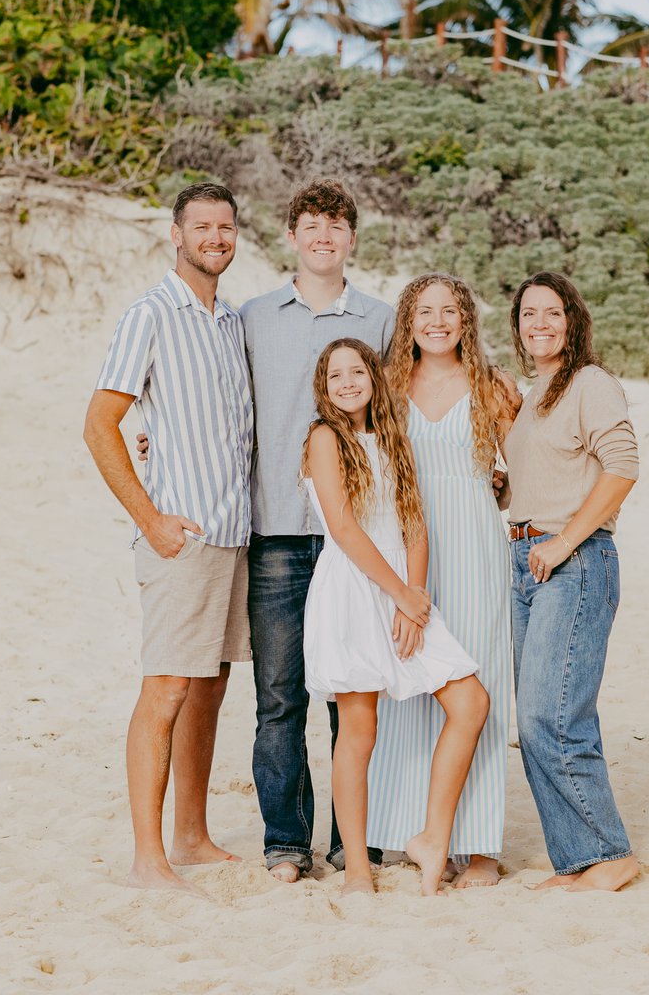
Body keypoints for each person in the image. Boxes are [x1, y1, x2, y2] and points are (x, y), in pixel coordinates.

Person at [82, 183, 254, 893]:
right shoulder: (150, 314)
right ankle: (147, 859)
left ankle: (191, 836)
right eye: (201, 226)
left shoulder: (231, 321)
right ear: (176, 236)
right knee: (167, 686)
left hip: (235, 531)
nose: (215, 237)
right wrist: (151, 519)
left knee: (210, 683)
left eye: (226, 226)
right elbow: (100, 424)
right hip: (181, 535)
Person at [238, 182, 394, 882]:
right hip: (276, 530)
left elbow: (402, 418)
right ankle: (286, 842)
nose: (323, 236)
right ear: (292, 236)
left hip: (355, 537)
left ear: (352, 238)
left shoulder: (381, 320)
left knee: (353, 695)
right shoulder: (253, 317)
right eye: (311, 224)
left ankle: (352, 842)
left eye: (335, 225)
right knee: (280, 697)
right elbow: (224, 405)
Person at [300, 337, 490, 896]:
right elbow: (344, 528)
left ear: (374, 378)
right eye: (336, 376)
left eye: (357, 371)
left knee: (471, 702)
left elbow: (414, 524)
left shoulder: (392, 436)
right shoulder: (323, 438)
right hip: (353, 589)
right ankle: (358, 867)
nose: (348, 383)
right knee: (359, 730)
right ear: (324, 387)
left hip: (402, 589)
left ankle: (432, 835)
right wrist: (398, 593)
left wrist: (415, 594)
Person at [367, 273, 521, 888]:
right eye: (425, 311)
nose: (437, 322)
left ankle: (479, 846)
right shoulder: (387, 386)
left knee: (479, 681)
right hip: (407, 551)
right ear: (408, 320)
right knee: (413, 683)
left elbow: (525, 470)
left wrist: (502, 490)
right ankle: (420, 830)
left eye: (450, 311)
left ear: (466, 320)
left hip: (475, 549)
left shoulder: (491, 387)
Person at [501, 271, 641, 892]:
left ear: (572, 320)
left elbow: (623, 467)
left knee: (552, 715)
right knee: (536, 719)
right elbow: (542, 476)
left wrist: (563, 542)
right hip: (526, 559)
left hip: (574, 562)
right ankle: (578, 860)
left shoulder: (590, 383)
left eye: (552, 313)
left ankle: (610, 854)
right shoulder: (537, 394)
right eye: (528, 314)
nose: (540, 324)